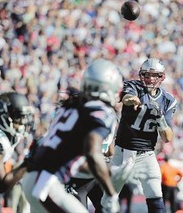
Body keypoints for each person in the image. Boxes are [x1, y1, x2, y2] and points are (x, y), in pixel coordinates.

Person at [22, 59, 123, 213]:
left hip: (36, 178)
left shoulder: (70, 106)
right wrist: (111, 193)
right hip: (46, 183)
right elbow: (92, 152)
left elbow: (69, 156)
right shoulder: (101, 112)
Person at [102, 58, 177, 213]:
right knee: (108, 200)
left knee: (156, 197)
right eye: (146, 75)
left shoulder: (168, 100)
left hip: (147, 154)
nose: (150, 79)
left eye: (154, 75)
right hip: (123, 152)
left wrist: (160, 119)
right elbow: (126, 98)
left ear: (161, 77)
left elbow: (167, 137)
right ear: (141, 75)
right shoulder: (134, 86)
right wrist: (132, 100)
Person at [0, 91, 35, 212]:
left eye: (24, 116)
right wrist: (29, 163)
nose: (23, 121)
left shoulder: (2, 134)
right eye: (18, 116)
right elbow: (1, 185)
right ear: (3, 116)